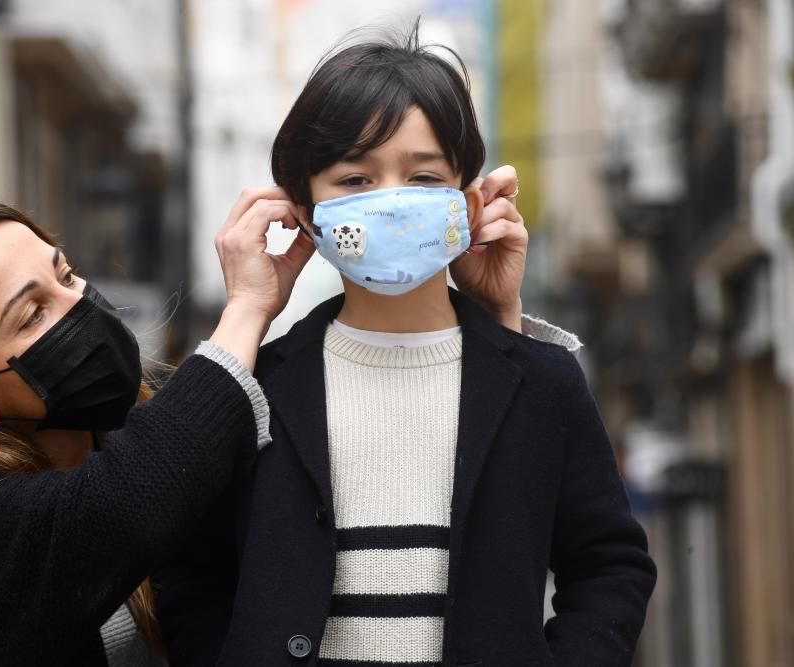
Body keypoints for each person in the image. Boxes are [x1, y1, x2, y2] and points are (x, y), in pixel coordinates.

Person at [155, 22, 657, 667]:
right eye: (355, 180)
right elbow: (189, 573)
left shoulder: (542, 380)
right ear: (302, 208)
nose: (390, 201)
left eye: (423, 178)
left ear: (468, 199)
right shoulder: (257, 387)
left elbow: (610, 566)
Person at [0, 195, 315, 666]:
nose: (79, 306)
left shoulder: (108, 445)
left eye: (65, 276)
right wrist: (247, 308)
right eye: (32, 315)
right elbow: (123, 504)